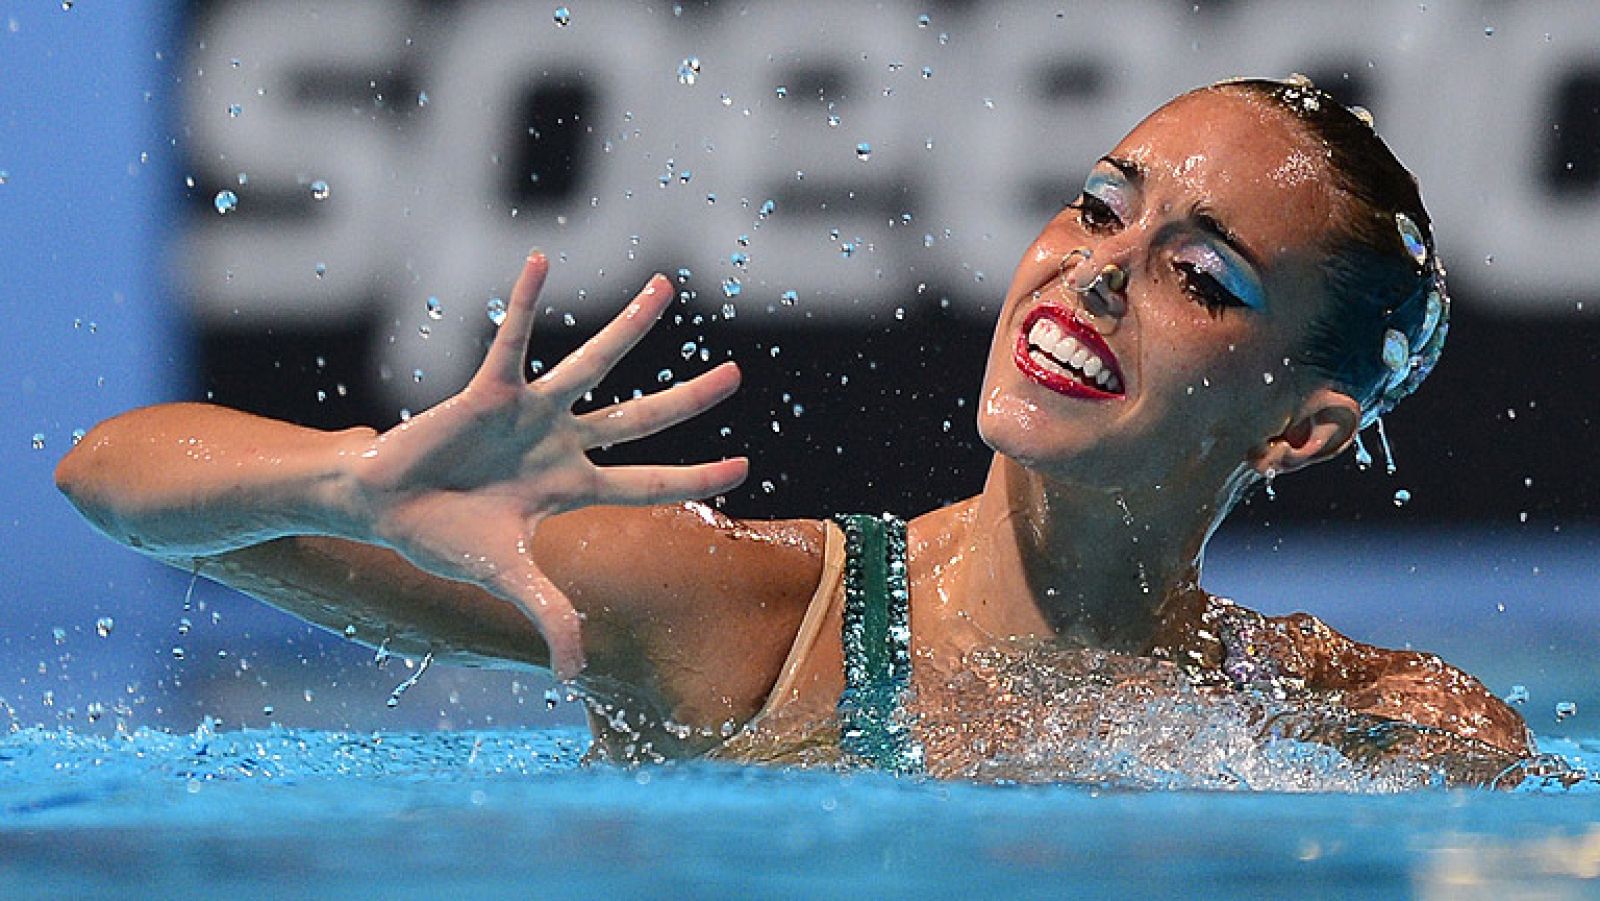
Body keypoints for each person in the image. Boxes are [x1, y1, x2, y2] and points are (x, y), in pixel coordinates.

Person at [55, 76, 1533, 784]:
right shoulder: (760, 626)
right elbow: (108, 474)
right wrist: (355, 480)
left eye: (1198, 275)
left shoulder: (1344, 715)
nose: (1094, 270)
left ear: (1303, 428)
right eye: (1099, 204)